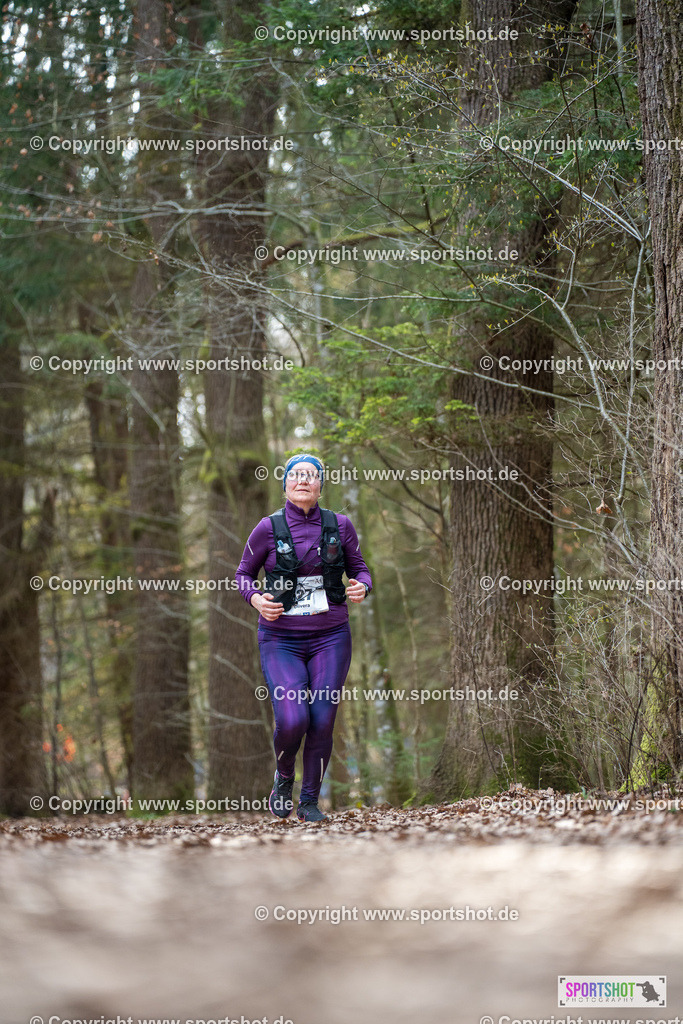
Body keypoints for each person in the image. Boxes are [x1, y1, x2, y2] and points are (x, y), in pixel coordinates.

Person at [236, 454, 372, 822]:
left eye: (311, 476)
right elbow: (243, 574)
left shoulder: (340, 525)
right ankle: (283, 777)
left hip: (331, 636)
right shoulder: (266, 528)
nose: (303, 481)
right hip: (281, 639)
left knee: (323, 719)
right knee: (293, 718)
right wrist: (256, 599)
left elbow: (358, 567)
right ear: (284, 485)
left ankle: (310, 800)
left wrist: (363, 586)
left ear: (320, 485)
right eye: (295, 475)